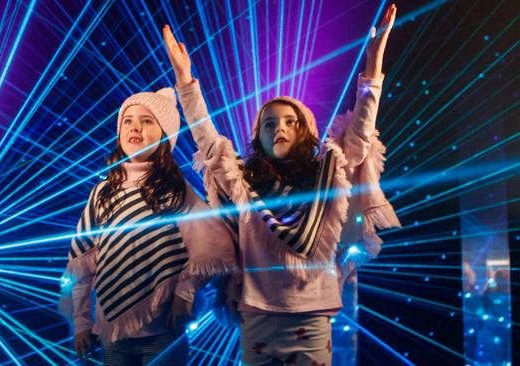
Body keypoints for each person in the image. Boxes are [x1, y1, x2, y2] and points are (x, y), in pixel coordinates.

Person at [162, 4, 401, 364]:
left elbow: (362, 131)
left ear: (304, 130)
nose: (281, 129)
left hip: (313, 312)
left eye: (290, 122)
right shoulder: (242, 180)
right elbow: (209, 143)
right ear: (259, 135)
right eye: (270, 124)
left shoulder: (327, 174)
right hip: (258, 313)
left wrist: (374, 56)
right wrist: (185, 81)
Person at [61, 86, 237, 365]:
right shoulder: (102, 192)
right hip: (113, 332)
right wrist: (82, 323)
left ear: (165, 135)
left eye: (147, 121)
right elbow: (81, 263)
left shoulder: (176, 189)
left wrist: (185, 292)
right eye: (128, 121)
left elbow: (213, 245)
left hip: (163, 328)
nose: (135, 128)